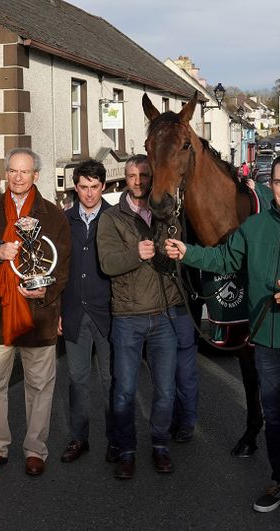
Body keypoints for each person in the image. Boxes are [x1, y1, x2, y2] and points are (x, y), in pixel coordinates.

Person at [166, 154, 280, 531]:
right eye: (279, 183)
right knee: (274, 421)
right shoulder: (254, 227)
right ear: (272, 185)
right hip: (265, 342)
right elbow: (224, 258)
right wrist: (188, 252)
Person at [0, 147, 70, 477]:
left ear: (36, 176)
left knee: (39, 387)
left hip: (38, 314)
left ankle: (35, 449)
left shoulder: (53, 215)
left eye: (24, 172)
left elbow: (62, 266)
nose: (17, 177)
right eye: (12, 171)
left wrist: (47, 290)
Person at [98, 154, 193, 479]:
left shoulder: (166, 214)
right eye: (132, 175)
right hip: (127, 316)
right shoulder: (112, 218)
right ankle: (126, 450)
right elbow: (108, 264)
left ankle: (159, 445)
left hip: (164, 314)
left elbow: (178, 262)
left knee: (165, 390)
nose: (138, 181)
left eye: (143, 175)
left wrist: (172, 253)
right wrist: (134, 254)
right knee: (124, 390)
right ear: (124, 178)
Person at [58, 158, 116, 464]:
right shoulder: (64, 220)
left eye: (95, 187)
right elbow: (58, 269)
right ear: (75, 187)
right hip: (73, 312)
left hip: (107, 313)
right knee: (77, 380)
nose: (89, 193)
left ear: (103, 186)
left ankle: (115, 440)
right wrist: (56, 310)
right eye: (83, 187)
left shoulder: (116, 217)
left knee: (111, 379)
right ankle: (79, 438)